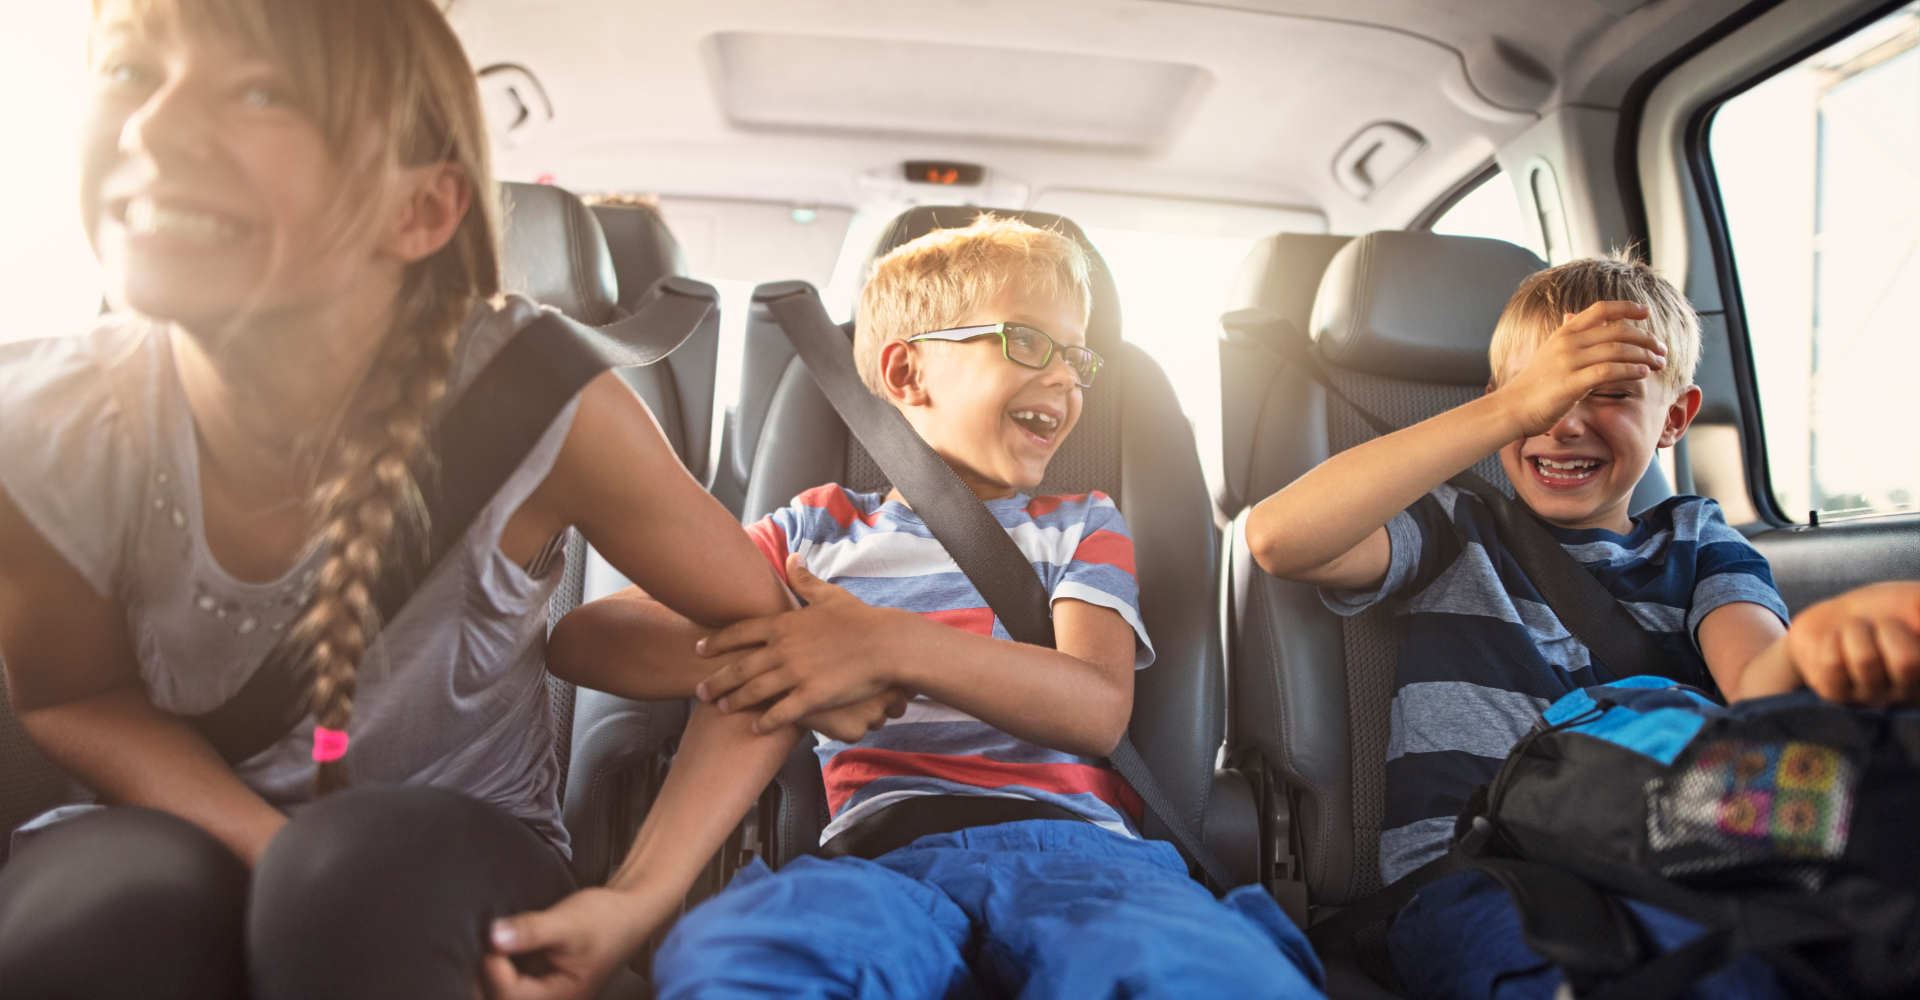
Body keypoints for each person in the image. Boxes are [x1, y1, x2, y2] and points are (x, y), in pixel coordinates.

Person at [0, 2, 896, 998]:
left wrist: (634, 901)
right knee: (97, 928)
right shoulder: (39, 421)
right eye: (129, 71)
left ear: (422, 210)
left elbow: (773, 646)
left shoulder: (538, 405)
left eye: (257, 91)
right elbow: (74, 694)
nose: (153, 125)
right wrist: (265, 846)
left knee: (352, 888)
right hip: (161, 820)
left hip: (453, 836)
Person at [548, 215, 1326, 999]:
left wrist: (886, 645)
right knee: (743, 954)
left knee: (1198, 971)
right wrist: (789, 649)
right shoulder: (814, 530)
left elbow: (1096, 708)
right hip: (878, 863)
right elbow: (585, 640)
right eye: (1027, 343)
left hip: (1083, 860)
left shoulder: (1081, 524)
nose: (1066, 379)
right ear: (907, 374)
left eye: (1079, 359)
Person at [1243, 255, 1803, 998]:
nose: (1565, 423)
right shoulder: (1456, 525)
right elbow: (1279, 539)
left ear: (1674, 418)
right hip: (1480, 876)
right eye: (1545, 396)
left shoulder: (1698, 543)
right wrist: (1509, 411)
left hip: (1669, 863)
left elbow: (1766, 693)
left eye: (1608, 394)